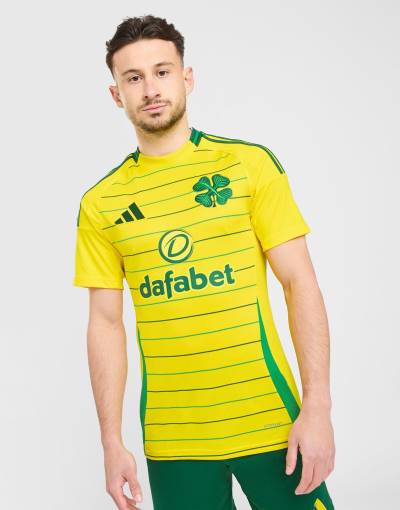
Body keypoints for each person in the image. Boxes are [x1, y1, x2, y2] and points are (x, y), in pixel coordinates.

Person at [73, 14, 335, 510]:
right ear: (116, 94)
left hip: (272, 422)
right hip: (174, 441)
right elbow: (105, 323)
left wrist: (317, 406)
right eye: (134, 78)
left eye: (162, 71)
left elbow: (300, 283)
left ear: (187, 78)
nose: (151, 88)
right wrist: (111, 442)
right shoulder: (100, 203)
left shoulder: (249, 166)